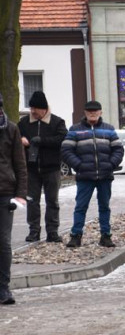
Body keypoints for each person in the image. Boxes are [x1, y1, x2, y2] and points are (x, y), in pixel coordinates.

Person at [61, 100, 122, 248]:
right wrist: (78, 165)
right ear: (85, 113)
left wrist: (111, 164)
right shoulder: (75, 130)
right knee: (81, 207)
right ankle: (76, 236)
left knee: (104, 207)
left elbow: (118, 149)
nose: (92, 114)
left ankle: (106, 236)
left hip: (105, 175)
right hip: (84, 176)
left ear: (101, 112)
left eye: (95, 112)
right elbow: (66, 150)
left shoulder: (109, 129)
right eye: (89, 112)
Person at [17, 90, 66, 243]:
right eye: (31, 108)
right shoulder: (24, 123)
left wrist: (42, 140)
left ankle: (52, 231)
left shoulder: (57, 122)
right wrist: (21, 140)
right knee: (32, 201)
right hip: (31, 169)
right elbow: (15, 136)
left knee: (52, 201)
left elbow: (62, 139)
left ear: (43, 108)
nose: (32, 111)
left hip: (52, 168)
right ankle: (34, 231)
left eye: (35, 108)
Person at [0, 103, 28, 304]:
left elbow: (20, 163)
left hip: (4, 191)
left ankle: (3, 288)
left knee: (3, 242)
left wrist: (21, 194)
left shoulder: (11, 129)